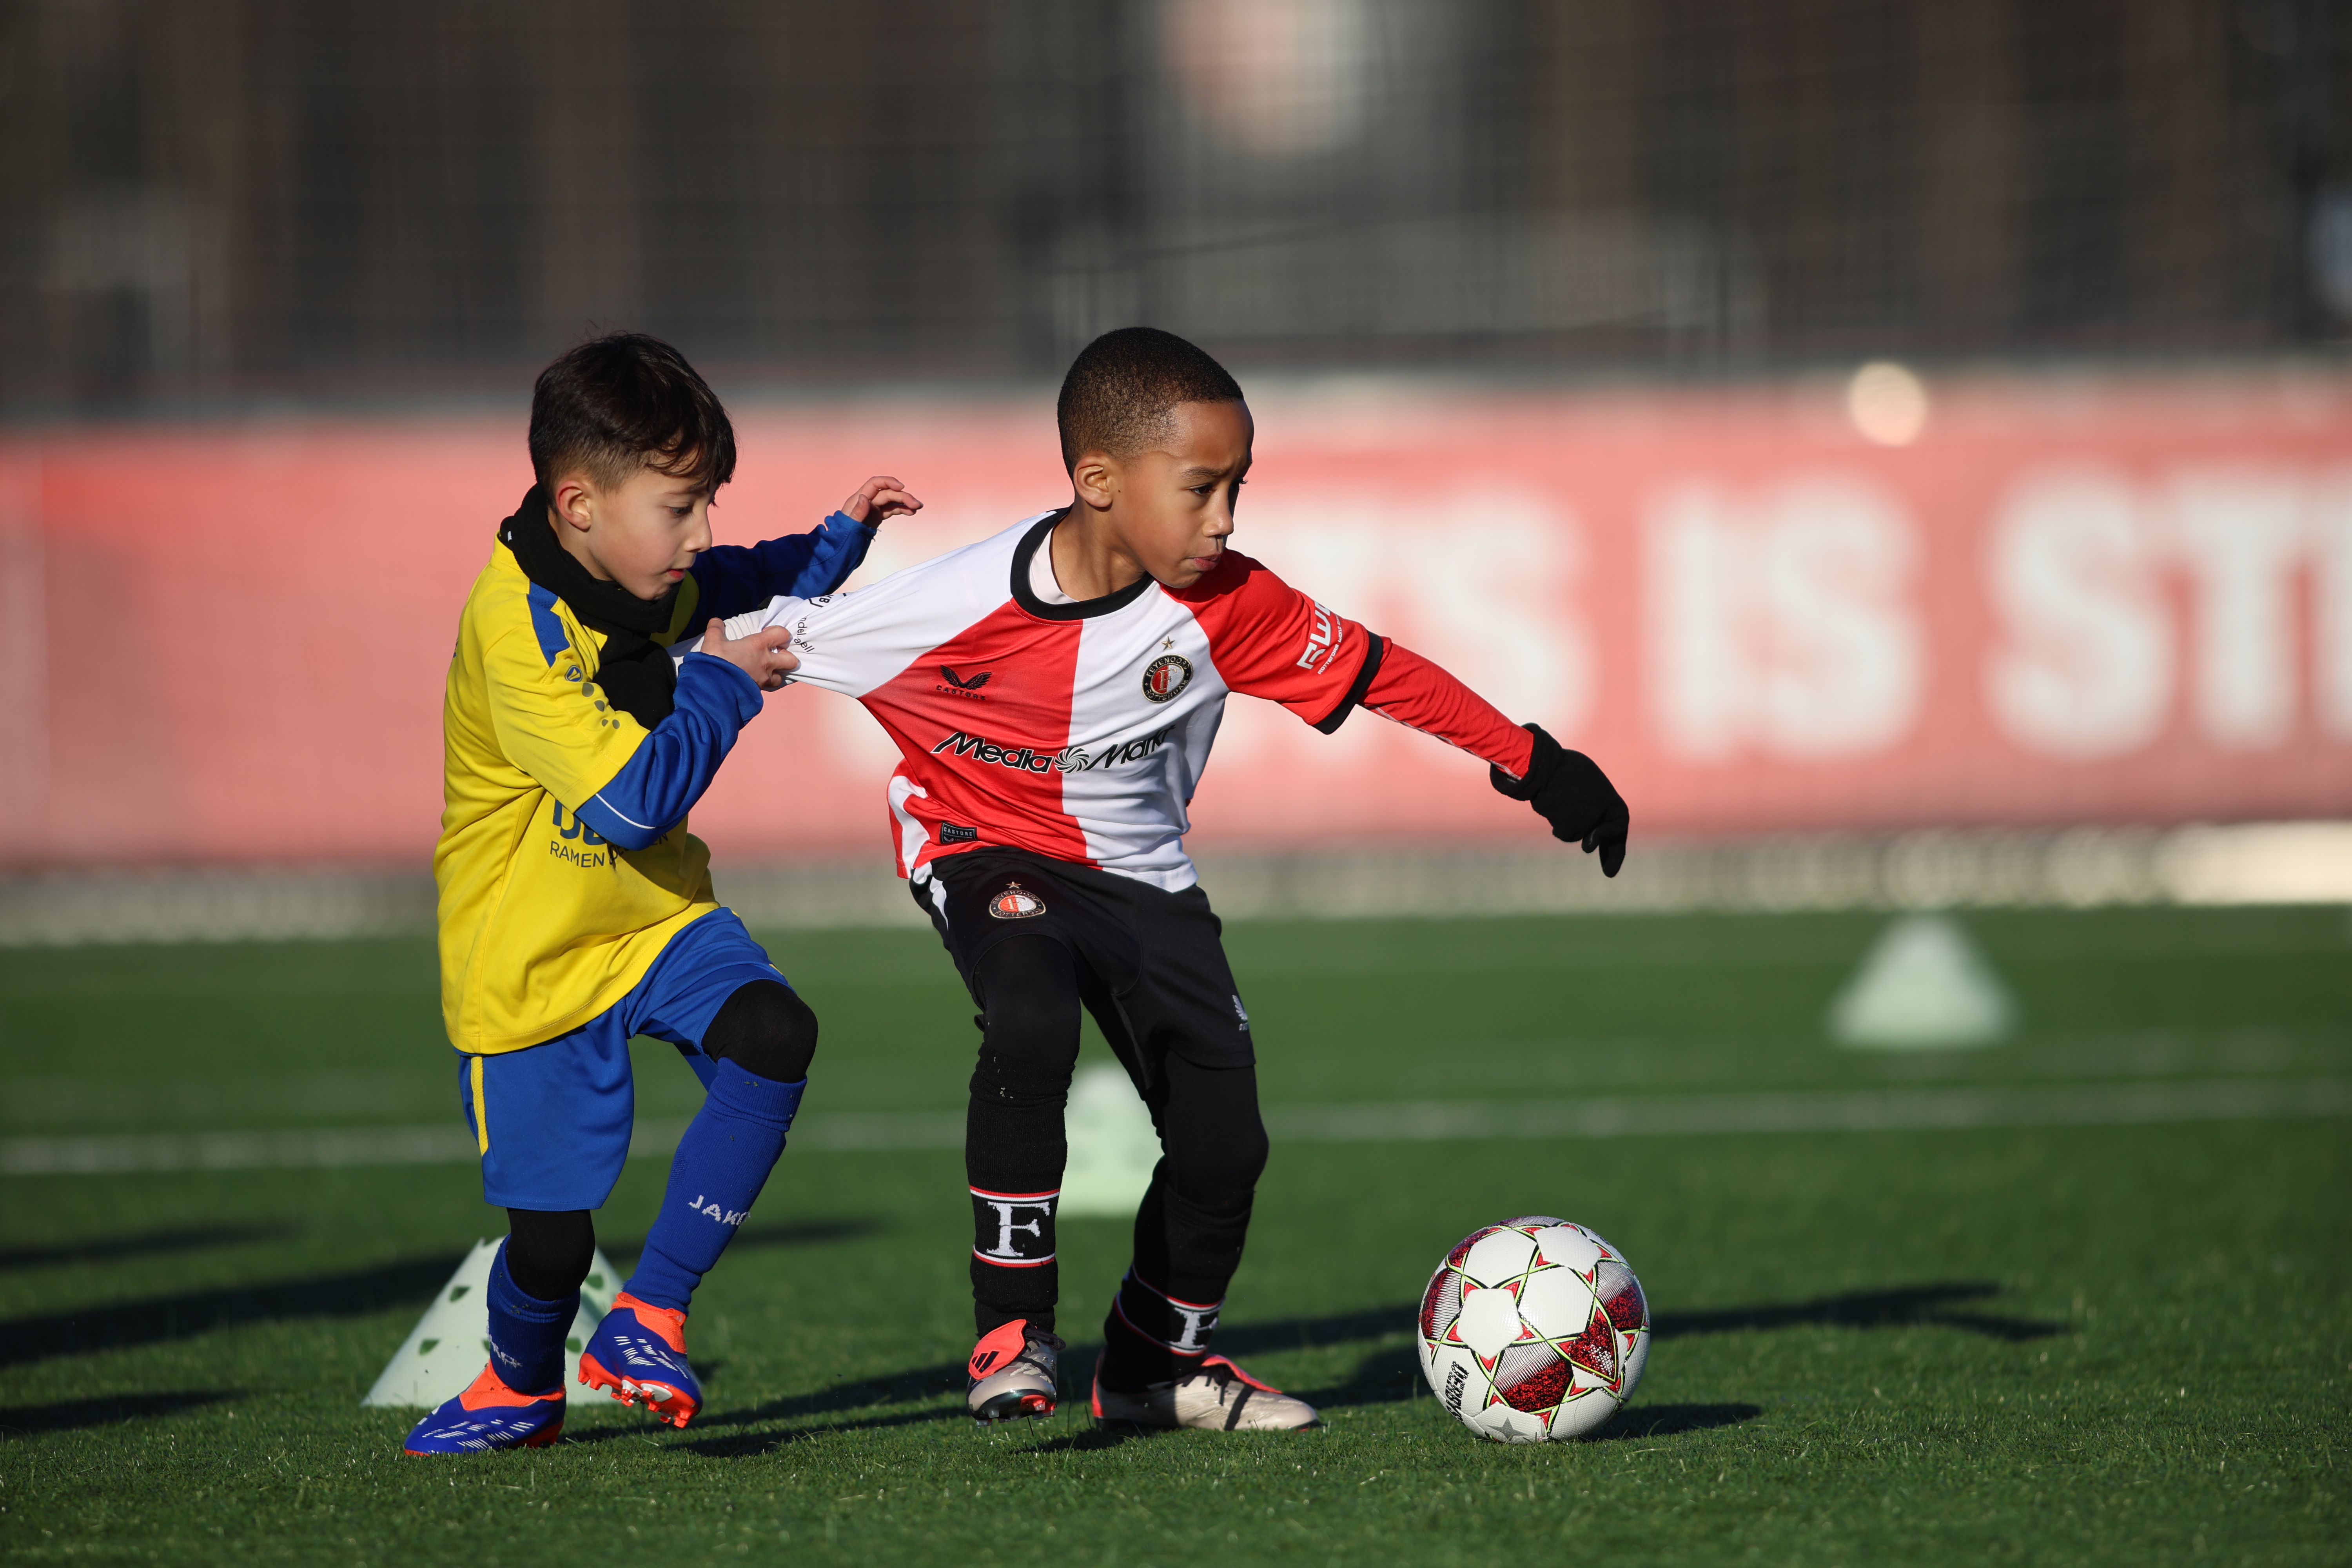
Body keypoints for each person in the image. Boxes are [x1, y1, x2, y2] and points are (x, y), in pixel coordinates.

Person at [689, 327, 1627, 1431]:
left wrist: (1531, 761)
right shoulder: (940, 605)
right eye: (1201, 488)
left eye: (1238, 486)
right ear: (1098, 482)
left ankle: (1154, 1364)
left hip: (1141, 880)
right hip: (975, 844)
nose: (1226, 517)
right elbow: (734, 640)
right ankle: (1013, 1329)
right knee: (1030, 1012)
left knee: (1227, 1145)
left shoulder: (1234, 603)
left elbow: (1380, 671)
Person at [403, 332, 921, 1454]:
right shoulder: (519, 631)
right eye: (680, 509)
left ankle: (650, 1315)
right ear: (577, 502)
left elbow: (739, 579)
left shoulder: (637, 573)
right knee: (549, 1247)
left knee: (776, 1032)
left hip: (656, 919)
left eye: (707, 505)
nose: (701, 538)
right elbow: (633, 804)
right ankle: (518, 1389)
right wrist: (727, 689)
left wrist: (837, 542)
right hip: (529, 957)